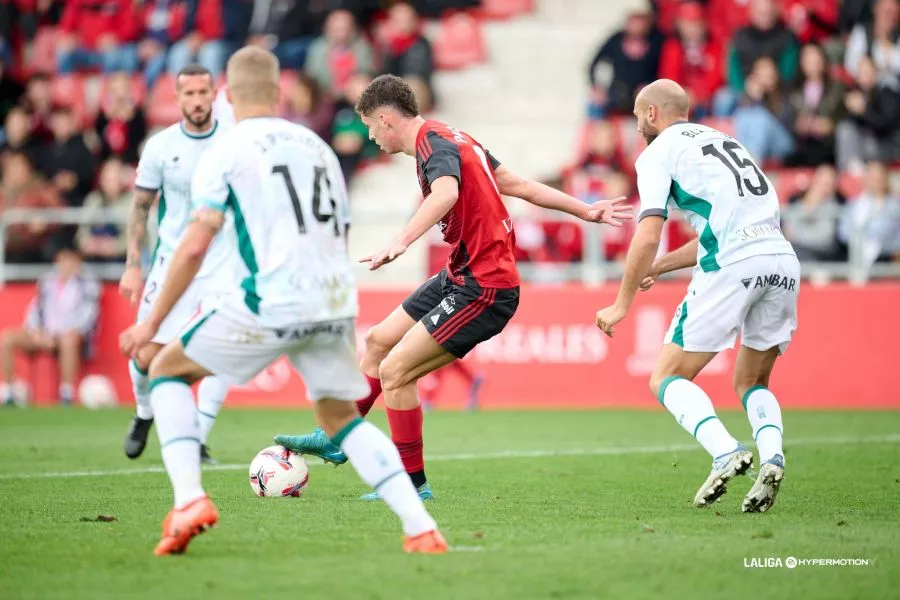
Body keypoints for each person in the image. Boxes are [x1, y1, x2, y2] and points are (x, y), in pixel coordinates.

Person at [119, 47, 446, 556]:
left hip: (271, 300)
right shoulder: (317, 147)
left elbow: (196, 242)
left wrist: (151, 322)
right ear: (279, 94)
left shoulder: (223, 151)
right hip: (332, 302)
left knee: (163, 369)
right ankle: (420, 526)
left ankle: (188, 501)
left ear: (227, 95)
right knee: (342, 419)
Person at [274, 74, 632, 500]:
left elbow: (445, 194)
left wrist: (400, 241)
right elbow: (516, 185)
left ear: (387, 119)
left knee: (396, 373)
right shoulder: (454, 136)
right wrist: (584, 211)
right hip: (460, 274)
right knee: (378, 341)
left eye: (370, 125)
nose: (370, 135)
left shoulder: (433, 144)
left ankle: (413, 487)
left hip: (485, 287)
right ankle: (336, 438)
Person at [595, 79, 798, 513]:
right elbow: (717, 229)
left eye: (636, 117)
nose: (635, 128)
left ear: (652, 114)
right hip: (780, 258)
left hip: (732, 266)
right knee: (752, 381)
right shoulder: (726, 142)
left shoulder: (657, 152)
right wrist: (659, 269)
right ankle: (773, 458)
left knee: (666, 376)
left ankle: (725, 452)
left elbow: (649, 232)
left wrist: (622, 302)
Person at [118, 65, 232, 466]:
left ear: (215, 93)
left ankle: (197, 437)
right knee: (145, 354)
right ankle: (144, 413)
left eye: (204, 92)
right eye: (189, 94)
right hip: (171, 263)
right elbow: (140, 208)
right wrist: (134, 263)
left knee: (224, 348)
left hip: (223, 263)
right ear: (177, 97)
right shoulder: (160, 147)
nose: (198, 101)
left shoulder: (233, 139)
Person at [0, 247, 99, 406]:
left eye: (71, 260)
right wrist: (36, 331)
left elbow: (88, 315)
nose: (67, 265)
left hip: (69, 334)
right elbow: (34, 308)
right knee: (7, 338)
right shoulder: (47, 281)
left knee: (68, 341)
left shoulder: (86, 283)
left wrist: (60, 334)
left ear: (77, 262)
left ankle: (66, 394)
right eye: (63, 260)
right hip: (44, 333)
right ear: (57, 261)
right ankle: (10, 391)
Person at [76, 157, 133, 263]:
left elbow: (137, 237)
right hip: (93, 259)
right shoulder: (93, 200)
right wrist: (89, 244)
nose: (110, 181)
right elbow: (81, 234)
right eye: (107, 177)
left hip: (122, 261)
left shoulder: (132, 201)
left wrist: (115, 246)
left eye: (114, 177)